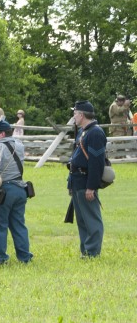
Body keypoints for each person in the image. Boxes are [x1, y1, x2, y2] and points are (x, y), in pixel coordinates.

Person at [68, 100, 106, 257]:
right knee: (82, 219)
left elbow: (96, 163)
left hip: (85, 181)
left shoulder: (95, 133)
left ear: (82, 115)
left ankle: (92, 252)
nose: (74, 116)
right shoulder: (84, 131)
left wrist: (92, 186)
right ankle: (86, 251)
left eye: (75, 113)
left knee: (92, 220)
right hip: (77, 180)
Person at [0, 120, 33, 263]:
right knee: (19, 225)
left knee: (0, 225)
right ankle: (24, 256)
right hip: (20, 188)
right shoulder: (20, 145)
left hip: (6, 189)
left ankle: (0, 257)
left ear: (2, 133)